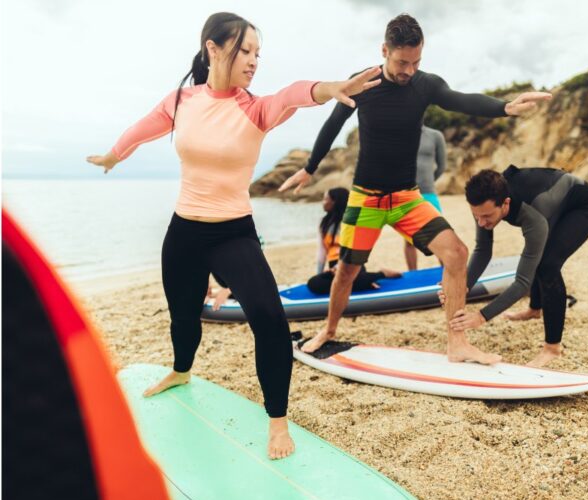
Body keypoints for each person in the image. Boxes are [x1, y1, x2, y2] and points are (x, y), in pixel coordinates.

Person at [86, 12, 382, 459]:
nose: (254, 61)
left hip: (232, 233)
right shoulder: (182, 100)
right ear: (213, 48)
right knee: (183, 317)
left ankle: (278, 422)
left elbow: (293, 94)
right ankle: (181, 371)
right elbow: (143, 129)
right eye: (245, 50)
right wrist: (113, 156)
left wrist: (331, 88)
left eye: (258, 53)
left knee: (269, 320)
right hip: (183, 231)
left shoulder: (256, 108)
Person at [279, 14, 552, 364]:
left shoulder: (426, 85)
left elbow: (461, 100)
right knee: (346, 270)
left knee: (456, 253)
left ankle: (457, 342)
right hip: (366, 198)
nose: (409, 70)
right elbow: (334, 123)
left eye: (416, 61)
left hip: (408, 198)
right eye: (401, 61)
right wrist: (309, 167)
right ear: (384, 50)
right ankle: (329, 331)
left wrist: (505, 107)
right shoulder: (363, 82)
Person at [446, 166, 588, 368]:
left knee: (548, 265)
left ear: (506, 204)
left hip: (583, 206)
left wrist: (481, 316)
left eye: (486, 216)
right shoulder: (484, 202)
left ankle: (552, 348)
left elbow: (522, 283)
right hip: (552, 201)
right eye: (476, 216)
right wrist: (461, 287)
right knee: (539, 259)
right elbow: (483, 250)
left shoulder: (533, 214)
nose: (481, 222)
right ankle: (534, 310)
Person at [308, 187, 401, 294]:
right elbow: (321, 252)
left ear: (335, 202)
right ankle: (367, 281)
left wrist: (339, 266)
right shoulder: (323, 223)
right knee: (314, 283)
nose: (323, 203)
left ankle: (382, 274)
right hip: (333, 269)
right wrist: (320, 274)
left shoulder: (351, 221)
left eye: (325, 199)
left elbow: (353, 248)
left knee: (347, 280)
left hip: (351, 264)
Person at [404, 125, 446, 270]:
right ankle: (413, 274)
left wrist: (429, 182)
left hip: (429, 193)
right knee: (409, 239)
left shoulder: (435, 135)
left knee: (439, 235)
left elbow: (442, 166)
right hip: (406, 194)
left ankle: (446, 272)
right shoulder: (399, 134)